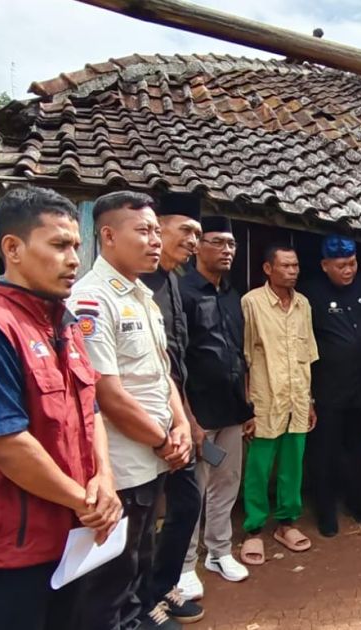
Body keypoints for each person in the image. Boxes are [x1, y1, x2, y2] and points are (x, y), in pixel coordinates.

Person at [0, 186, 121, 630]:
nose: (74, 259)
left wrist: (105, 479)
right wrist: (86, 502)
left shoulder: (66, 322)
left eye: (76, 246)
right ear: (13, 249)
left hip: (70, 540)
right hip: (8, 554)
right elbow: (6, 444)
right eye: (58, 245)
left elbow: (90, 408)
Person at [69, 191, 193, 630]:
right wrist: (164, 440)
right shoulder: (91, 300)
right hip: (122, 464)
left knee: (140, 557)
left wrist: (179, 424)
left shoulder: (143, 295)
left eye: (157, 231)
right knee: (111, 577)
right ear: (107, 236)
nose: (155, 241)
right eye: (142, 231)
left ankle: (140, 619)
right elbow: (107, 393)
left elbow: (161, 374)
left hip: (154, 456)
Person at [176, 215, 254, 592]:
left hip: (232, 411)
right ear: (199, 247)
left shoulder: (232, 296)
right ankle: (185, 563)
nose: (227, 250)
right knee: (193, 488)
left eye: (232, 244)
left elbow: (239, 355)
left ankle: (218, 550)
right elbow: (177, 362)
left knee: (227, 482)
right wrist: (188, 418)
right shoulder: (182, 293)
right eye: (218, 242)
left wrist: (248, 406)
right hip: (200, 416)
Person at [140, 193, 205, 623]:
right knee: (140, 520)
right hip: (141, 423)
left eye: (198, 234)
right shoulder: (136, 287)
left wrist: (187, 420)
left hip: (176, 418)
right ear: (158, 227)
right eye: (187, 231)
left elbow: (174, 364)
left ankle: (162, 587)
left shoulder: (173, 283)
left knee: (187, 503)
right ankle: (137, 604)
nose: (194, 241)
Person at [301, 235, 361, 537]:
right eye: (341, 266)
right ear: (325, 266)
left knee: (359, 450)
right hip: (327, 391)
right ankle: (325, 512)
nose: (348, 270)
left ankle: (359, 506)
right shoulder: (310, 293)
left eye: (352, 264)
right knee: (324, 454)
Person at [239, 244, 319, 564]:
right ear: (268, 269)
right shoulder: (252, 303)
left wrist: (310, 401)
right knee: (258, 467)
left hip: (297, 398)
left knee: (292, 465)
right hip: (264, 399)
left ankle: (286, 523)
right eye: (285, 266)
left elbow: (308, 358)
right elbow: (243, 359)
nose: (292, 271)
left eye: (296, 265)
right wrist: (247, 407)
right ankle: (254, 528)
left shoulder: (303, 305)